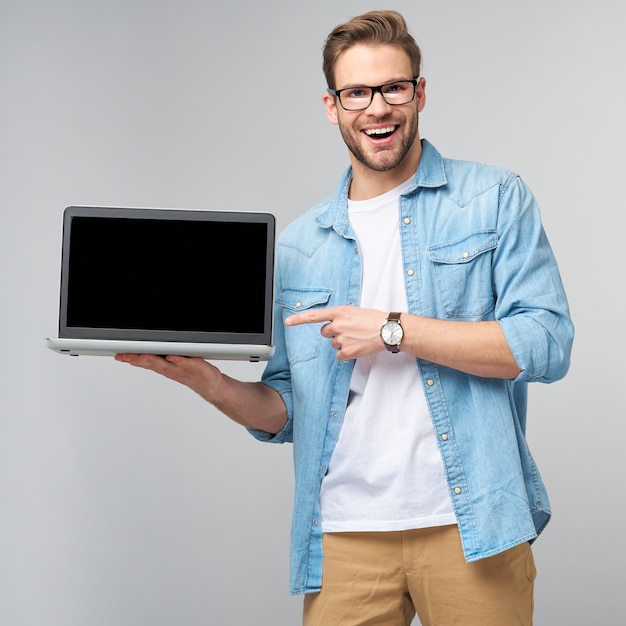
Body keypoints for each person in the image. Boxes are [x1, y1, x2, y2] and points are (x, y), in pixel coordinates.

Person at [116, 10, 574, 626]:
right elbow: (286, 411)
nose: (377, 108)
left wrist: (393, 329)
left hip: (471, 523)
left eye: (393, 88)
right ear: (332, 106)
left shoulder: (493, 199)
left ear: (420, 93)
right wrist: (208, 382)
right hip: (343, 536)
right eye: (357, 92)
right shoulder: (302, 244)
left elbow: (545, 344)